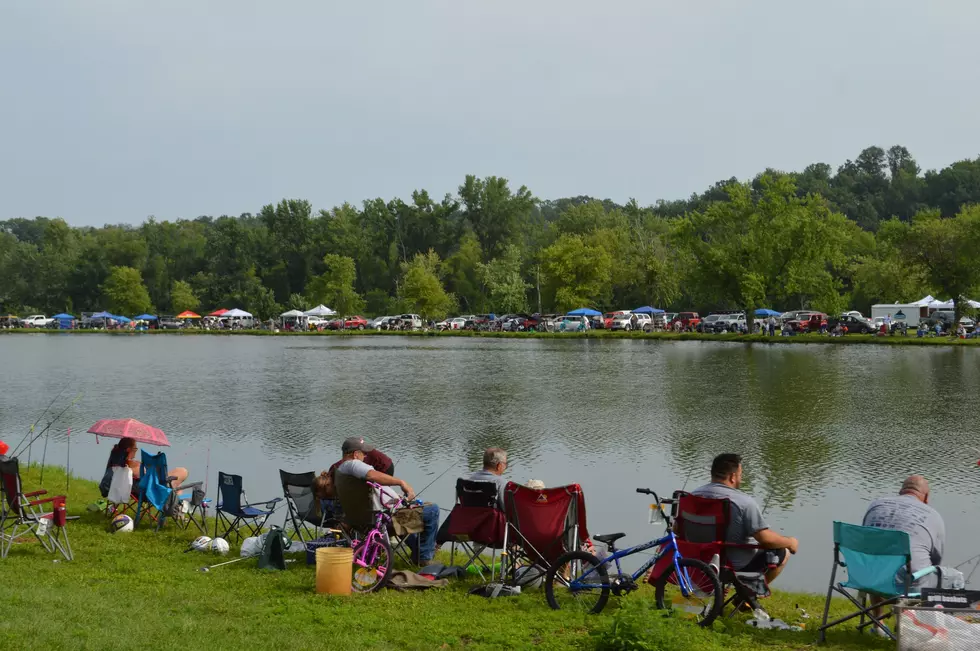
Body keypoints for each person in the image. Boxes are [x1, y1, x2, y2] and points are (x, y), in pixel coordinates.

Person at [691, 453, 798, 584]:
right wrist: (790, 542)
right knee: (783, 552)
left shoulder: (692, 497)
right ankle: (747, 597)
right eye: (740, 475)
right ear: (732, 477)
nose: (741, 478)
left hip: (695, 562)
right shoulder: (744, 503)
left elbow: (677, 530)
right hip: (731, 566)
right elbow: (766, 540)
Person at [333, 436, 440, 564]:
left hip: (363, 521)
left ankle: (418, 553)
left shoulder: (341, 471)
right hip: (383, 522)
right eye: (364, 454)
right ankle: (424, 557)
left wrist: (394, 499)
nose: (365, 457)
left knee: (408, 511)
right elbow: (372, 475)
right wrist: (401, 482)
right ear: (356, 454)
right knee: (432, 510)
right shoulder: (352, 464)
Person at [862, 475, 945, 588]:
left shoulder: (875, 505)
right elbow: (936, 559)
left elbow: (865, 543)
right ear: (926, 498)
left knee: (877, 561)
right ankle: (909, 605)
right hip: (909, 583)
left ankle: (877, 606)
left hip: (868, 576)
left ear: (901, 492)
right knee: (954, 577)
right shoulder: (933, 515)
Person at [107, 436, 188, 489]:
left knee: (177, 483)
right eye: (135, 449)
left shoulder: (117, 465)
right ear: (129, 450)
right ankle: (176, 506)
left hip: (146, 485)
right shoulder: (128, 468)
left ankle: (177, 506)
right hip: (153, 490)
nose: (136, 451)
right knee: (183, 471)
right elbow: (145, 474)